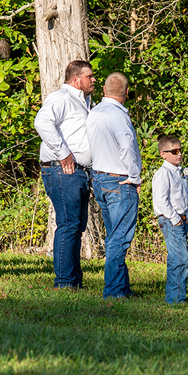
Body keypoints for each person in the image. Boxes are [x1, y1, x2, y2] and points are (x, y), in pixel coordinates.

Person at [34, 60, 96, 289]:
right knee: (68, 224)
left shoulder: (85, 102)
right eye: (89, 76)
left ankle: (74, 280)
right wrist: (64, 154)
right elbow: (42, 122)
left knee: (77, 226)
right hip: (63, 169)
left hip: (79, 172)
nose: (94, 80)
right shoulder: (61, 98)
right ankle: (64, 281)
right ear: (76, 80)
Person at [87, 72, 142, 299]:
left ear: (104, 89)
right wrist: (134, 176)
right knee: (119, 238)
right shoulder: (119, 115)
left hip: (99, 177)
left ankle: (122, 287)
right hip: (120, 180)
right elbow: (126, 147)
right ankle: (113, 291)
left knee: (114, 235)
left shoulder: (94, 113)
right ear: (127, 92)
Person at [152, 134, 188, 305]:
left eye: (180, 150)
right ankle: (175, 299)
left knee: (177, 258)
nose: (179, 154)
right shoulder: (163, 174)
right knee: (181, 259)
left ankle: (174, 296)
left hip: (181, 218)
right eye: (174, 151)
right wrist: (175, 219)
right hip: (170, 220)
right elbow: (161, 200)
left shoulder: (179, 171)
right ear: (163, 154)